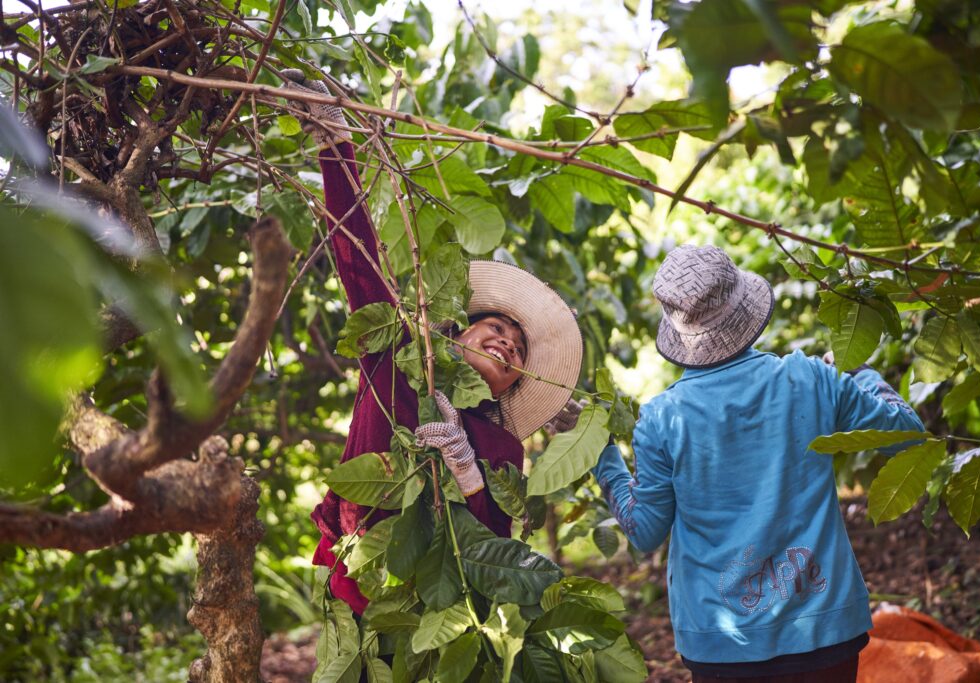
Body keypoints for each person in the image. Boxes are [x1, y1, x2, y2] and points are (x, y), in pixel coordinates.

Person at [281, 71, 583, 615]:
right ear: (460, 330)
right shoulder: (394, 363)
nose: (507, 344)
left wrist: (468, 471)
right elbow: (359, 262)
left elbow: (497, 548)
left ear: (517, 380)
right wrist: (335, 143)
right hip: (359, 597)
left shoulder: (501, 449)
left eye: (518, 350)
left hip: (433, 620)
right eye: (497, 328)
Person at [593, 245, 925, 682]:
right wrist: (859, 372)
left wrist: (602, 456)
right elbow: (908, 435)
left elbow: (645, 531)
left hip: (721, 644)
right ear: (744, 309)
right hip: (824, 628)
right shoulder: (811, 378)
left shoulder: (662, 419)